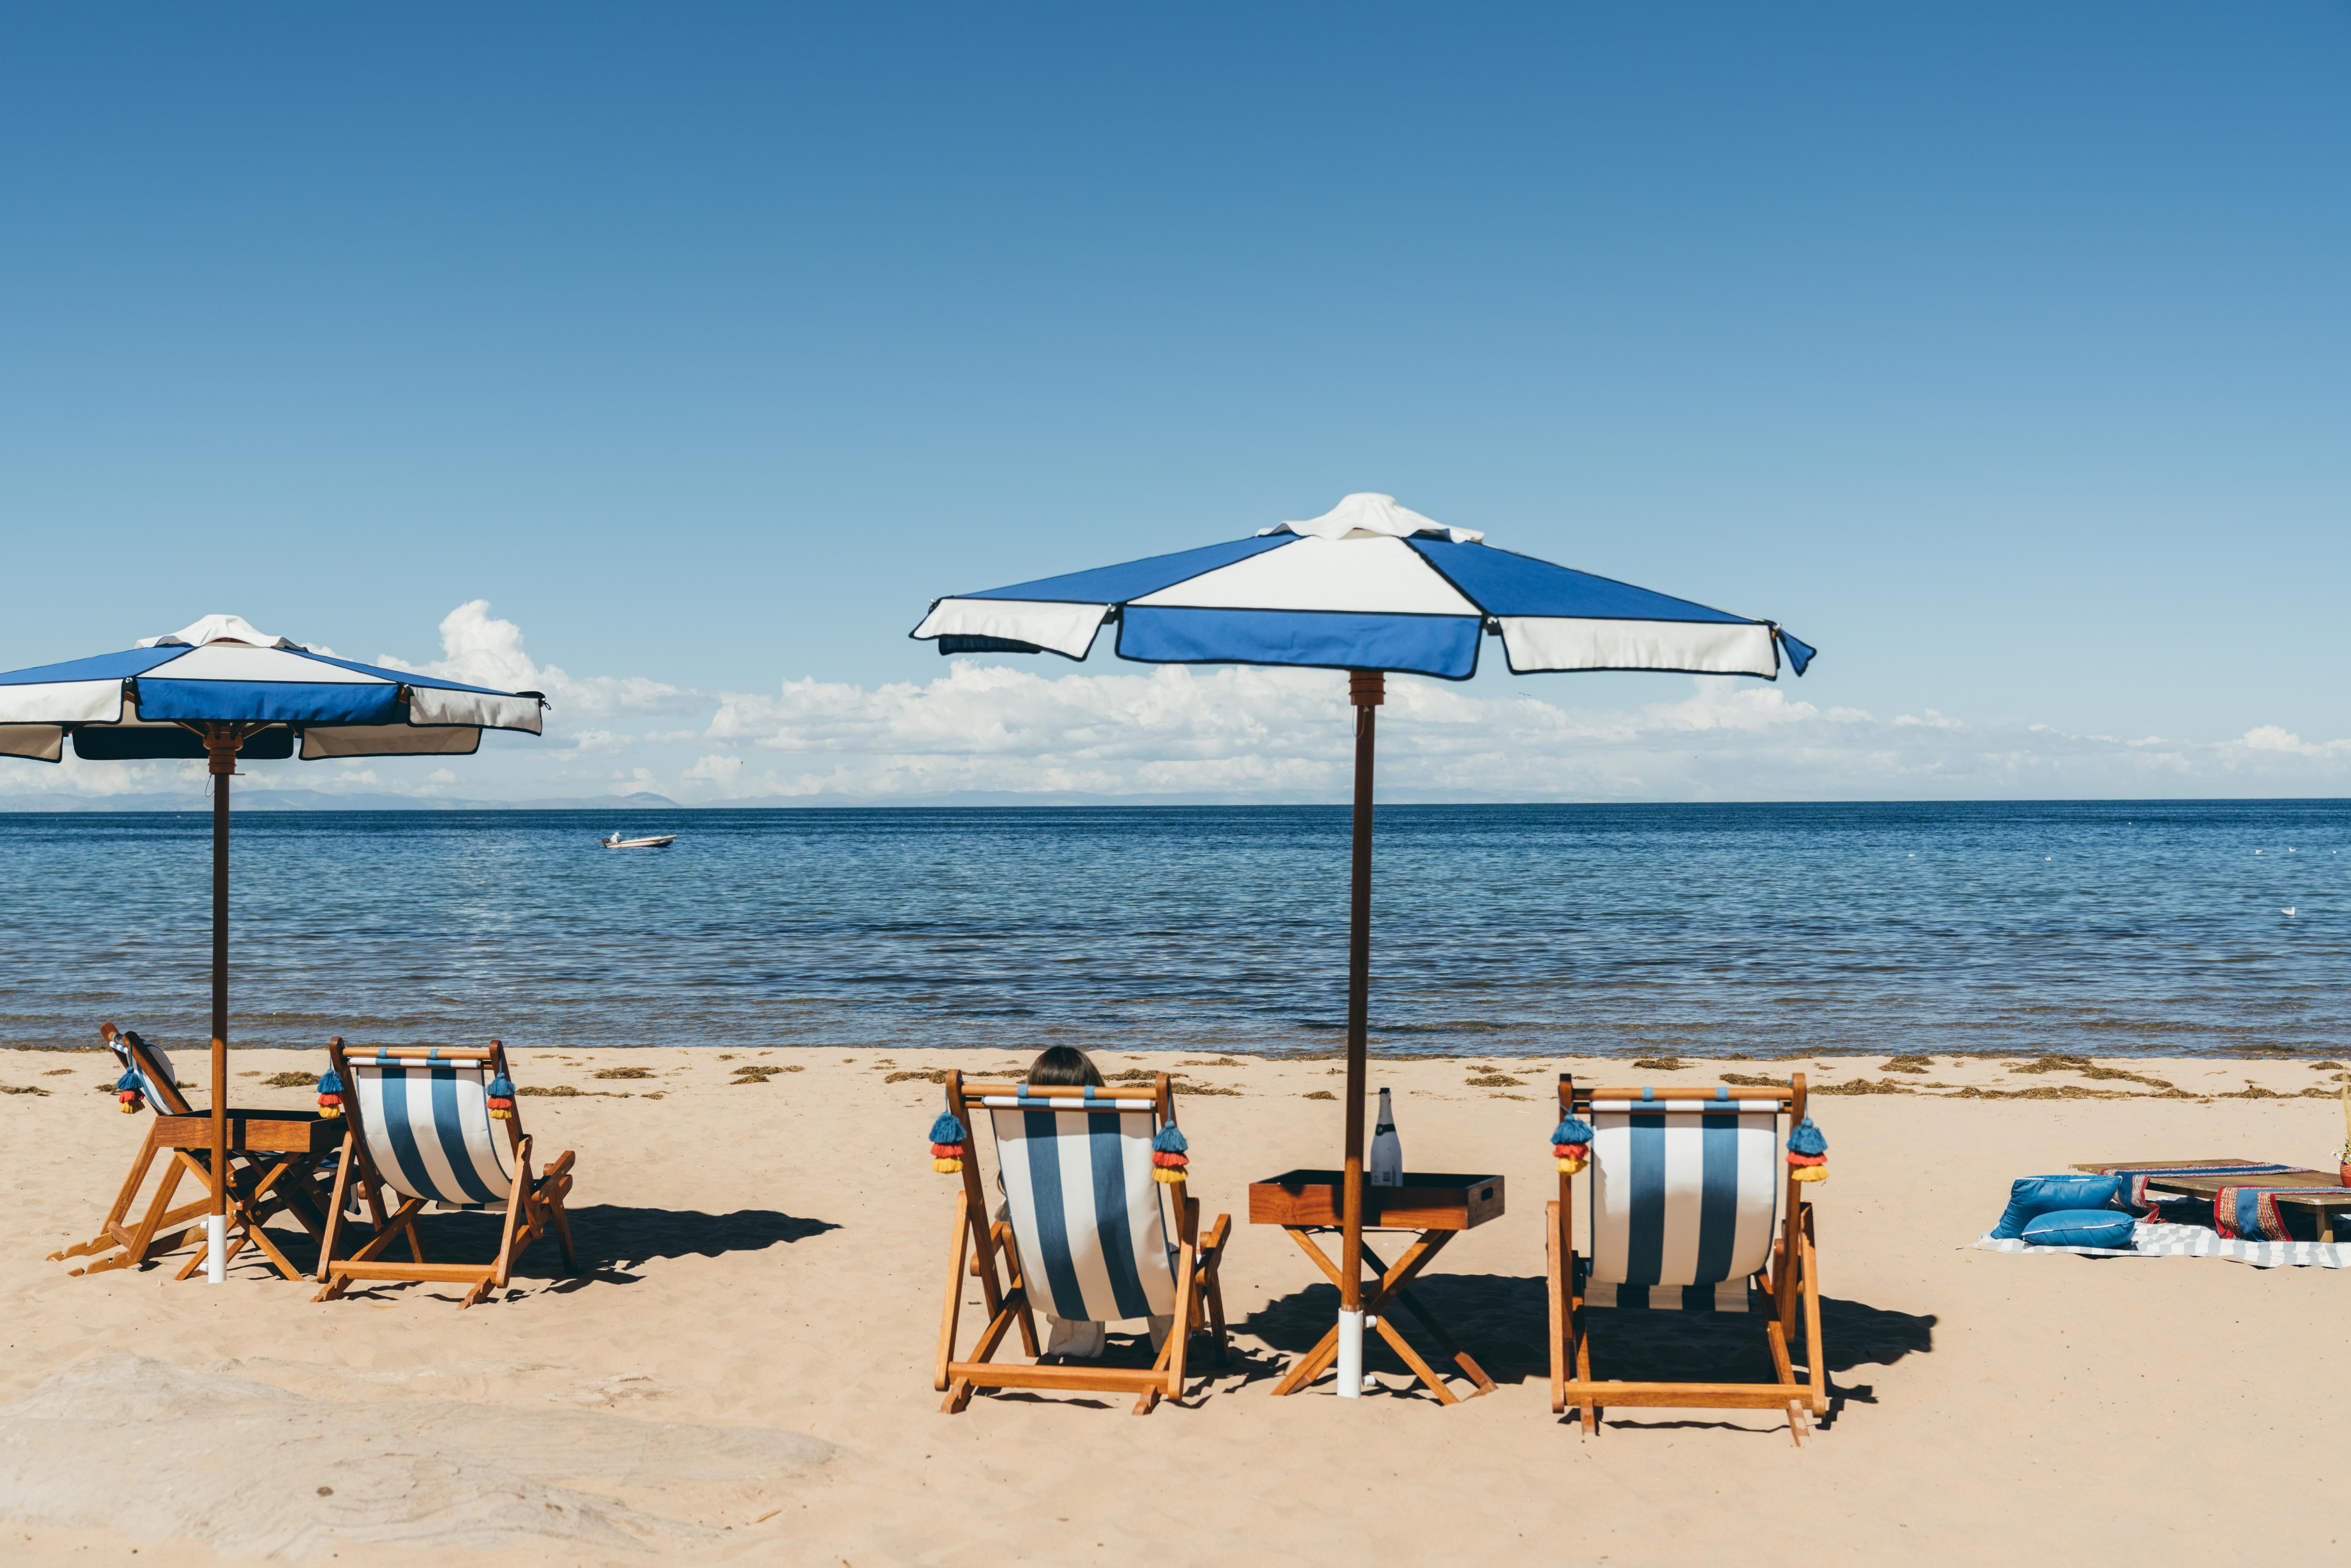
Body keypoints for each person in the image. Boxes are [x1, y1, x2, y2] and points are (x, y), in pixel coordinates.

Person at [1005, 1045, 1175, 1363]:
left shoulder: (1027, 1157)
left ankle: (1075, 1344)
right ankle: (1171, 1343)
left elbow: (1009, 1219)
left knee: (1067, 1246)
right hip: (1131, 1273)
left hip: (1049, 1274)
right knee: (1163, 1255)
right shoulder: (1115, 1149)